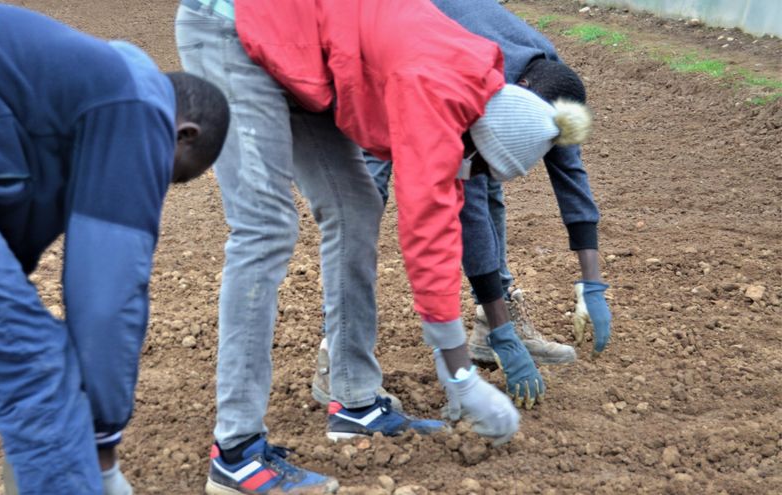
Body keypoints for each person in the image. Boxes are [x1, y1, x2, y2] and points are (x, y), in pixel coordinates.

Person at [177, 0, 591, 493]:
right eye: (476, 166)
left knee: (356, 208)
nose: (468, 178)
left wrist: (454, 358)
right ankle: (236, 453)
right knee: (265, 228)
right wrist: (460, 374)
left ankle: (354, 402)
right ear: (474, 137)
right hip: (235, 27)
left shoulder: (475, 92)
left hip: (309, 53)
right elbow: (426, 228)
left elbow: (444, 212)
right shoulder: (431, 87)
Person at [0, 3, 229, 494]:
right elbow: (107, 294)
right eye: (170, 175)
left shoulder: (68, 86)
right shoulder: (138, 104)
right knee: (38, 372)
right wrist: (99, 440)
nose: (151, 187)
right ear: (184, 134)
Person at [312, 0, 613, 412]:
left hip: (437, 58)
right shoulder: (475, 82)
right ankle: (338, 353)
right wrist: (463, 365)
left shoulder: (554, 86)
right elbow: (459, 210)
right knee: (360, 202)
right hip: (383, 68)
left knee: (488, 183)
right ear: (518, 100)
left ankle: (492, 323)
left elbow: (569, 170)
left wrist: (591, 281)